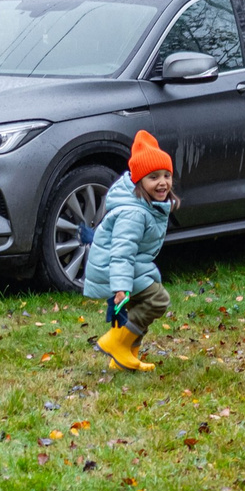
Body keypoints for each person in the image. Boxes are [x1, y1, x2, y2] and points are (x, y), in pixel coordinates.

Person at [84, 130, 177, 371]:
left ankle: (124, 358)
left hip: (123, 267)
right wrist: (121, 287)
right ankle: (116, 342)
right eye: (153, 177)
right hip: (113, 269)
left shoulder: (147, 205)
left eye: (167, 175)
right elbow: (122, 252)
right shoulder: (134, 213)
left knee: (142, 306)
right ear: (139, 181)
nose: (162, 182)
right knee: (157, 299)